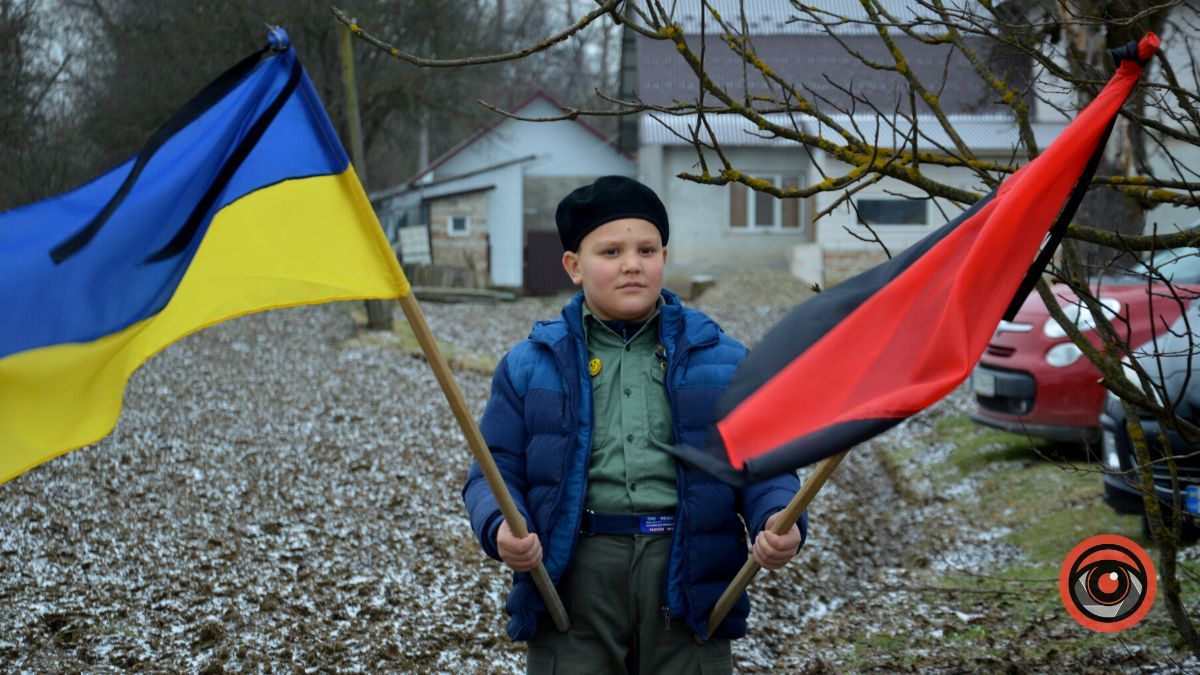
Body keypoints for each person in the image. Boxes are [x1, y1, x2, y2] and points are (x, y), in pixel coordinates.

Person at [462, 175, 805, 674]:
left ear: (664, 256)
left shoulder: (724, 362)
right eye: (611, 252)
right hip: (571, 578)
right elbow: (495, 467)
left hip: (690, 576)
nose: (631, 265)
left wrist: (776, 516)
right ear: (574, 267)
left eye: (646, 249)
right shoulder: (530, 365)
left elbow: (765, 463)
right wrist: (500, 525)